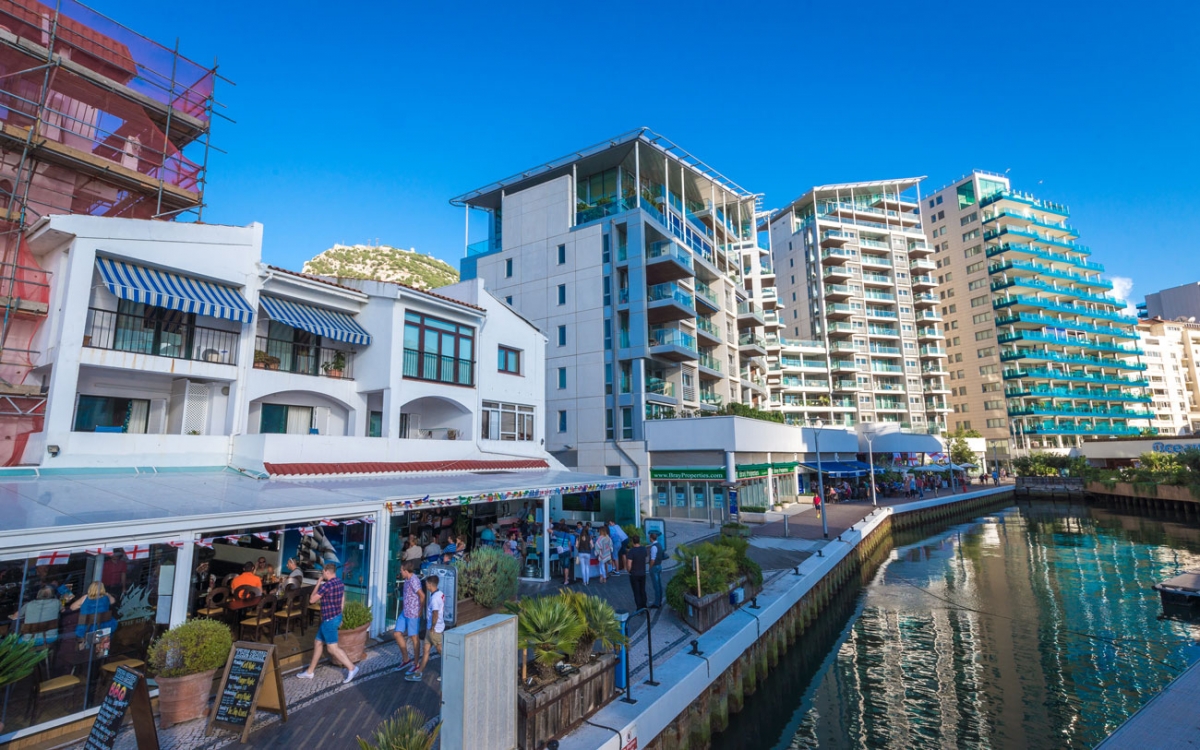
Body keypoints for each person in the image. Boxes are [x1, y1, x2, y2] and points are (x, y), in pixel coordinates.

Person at [298, 563, 358, 683]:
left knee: (332, 648)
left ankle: (352, 668)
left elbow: (312, 600)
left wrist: (318, 583)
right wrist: (340, 617)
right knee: (318, 642)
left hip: (329, 620)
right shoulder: (340, 583)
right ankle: (310, 671)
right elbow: (342, 600)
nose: (322, 574)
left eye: (323, 572)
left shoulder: (326, 585)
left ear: (327, 572)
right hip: (335, 617)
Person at [406, 574, 445, 683]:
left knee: (440, 650)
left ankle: (447, 670)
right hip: (431, 629)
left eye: (427, 583)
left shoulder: (435, 599)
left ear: (431, 584)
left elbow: (435, 613)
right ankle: (419, 673)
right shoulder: (440, 594)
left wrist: (432, 626)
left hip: (435, 630)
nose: (425, 585)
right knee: (426, 650)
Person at [393, 563, 425, 672]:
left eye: (401, 570)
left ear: (406, 571)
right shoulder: (407, 579)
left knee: (414, 638)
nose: (400, 572)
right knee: (397, 633)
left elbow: (422, 596)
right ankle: (406, 659)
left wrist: (420, 611)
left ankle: (416, 663)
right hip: (405, 612)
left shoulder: (414, 581)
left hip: (413, 613)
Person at [625, 534, 649, 612]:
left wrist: (629, 570)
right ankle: (644, 605)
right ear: (639, 541)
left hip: (634, 574)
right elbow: (646, 559)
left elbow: (629, 564)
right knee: (642, 590)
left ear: (632, 542)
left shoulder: (631, 552)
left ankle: (639, 608)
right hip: (642, 573)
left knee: (636, 591)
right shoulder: (643, 549)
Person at [647, 531, 664, 609]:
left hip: (655, 567)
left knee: (656, 585)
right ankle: (659, 601)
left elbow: (652, 559)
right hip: (659, 565)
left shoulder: (653, 547)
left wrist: (650, 567)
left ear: (651, 538)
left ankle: (657, 603)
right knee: (659, 585)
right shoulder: (659, 545)